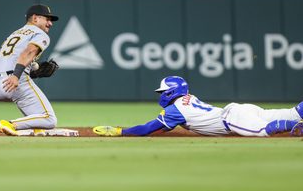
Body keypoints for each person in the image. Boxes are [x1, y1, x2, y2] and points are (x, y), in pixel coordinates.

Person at [93, 76, 303, 137]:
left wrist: (120, 131)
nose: (161, 95)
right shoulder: (188, 99)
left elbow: (149, 129)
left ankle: (294, 127)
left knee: (263, 131)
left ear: (171, 92)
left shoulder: (176, 110)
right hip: (241, 110)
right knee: (293, 112)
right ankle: (294, 121)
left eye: (162, 91)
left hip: (232, 119)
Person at [0, 4, 59, 136]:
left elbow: (9, 59)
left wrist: (33, 73)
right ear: (35, 18)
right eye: (47, 19)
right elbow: (28, 52)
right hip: (15, 81)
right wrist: (16, 76)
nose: (50, 23)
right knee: (49, 119)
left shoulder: (15, 34)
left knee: (38, 119)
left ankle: (35, 129)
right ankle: (10, 124)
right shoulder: (39, 33)